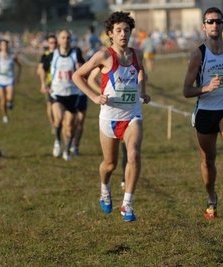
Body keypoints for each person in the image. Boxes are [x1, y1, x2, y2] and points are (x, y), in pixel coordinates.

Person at [72, 11, 151, 222]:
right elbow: (77, 76)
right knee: (110, 164)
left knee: (133, 155)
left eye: (127, 30)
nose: (123, 34)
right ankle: (104, 189)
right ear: (110, 34)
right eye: (119, 31)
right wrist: (94, 96)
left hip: (132, 115)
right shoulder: (103, 56)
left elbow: (141, 72)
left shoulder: (138, 54)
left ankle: (127, 204)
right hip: (109, 118)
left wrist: (142, 90)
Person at [182, 7, 223, 220]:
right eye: (210, 22)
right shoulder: (198, 55)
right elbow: (186, 90)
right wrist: (206, 88)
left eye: (218, 22)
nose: (214, 25)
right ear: (203, 26)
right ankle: (211, 197)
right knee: (208, 161)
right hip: (205, 111)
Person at [49, 30, 85, 161]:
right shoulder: (54, 54)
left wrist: (80, 68)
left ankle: (67, 150)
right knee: (58, 119)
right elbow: (44, 69)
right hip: (57, 93)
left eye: (68, 38)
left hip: (73, 94)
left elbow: (83, 68)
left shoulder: (76, 54)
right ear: (59, 40)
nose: (65, 40)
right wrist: (45, 83)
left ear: (71, 40)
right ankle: (58, 141)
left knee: (70, 127)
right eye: (63, 37)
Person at [0, 39, 21, 124]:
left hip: (10, 80)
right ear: (0, 47)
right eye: (3, 45)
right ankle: (5, 115)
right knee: (2, 100)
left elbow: (19, 66)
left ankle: (10, 102)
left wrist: (18, 77)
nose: (4, 47)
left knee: (9, 98)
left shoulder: (12, 56)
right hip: (0, 81)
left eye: (6, 45)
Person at [37, 34, 57, 133]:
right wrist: (43, 84)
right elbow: (39, 70)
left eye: (55, 43)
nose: (53, 45)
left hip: (60, 83)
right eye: (51, 43)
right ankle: (53, 124)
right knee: (50, 105)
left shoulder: (61, 53)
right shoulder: (45, 56)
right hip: (49, 83)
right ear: (48, 44)